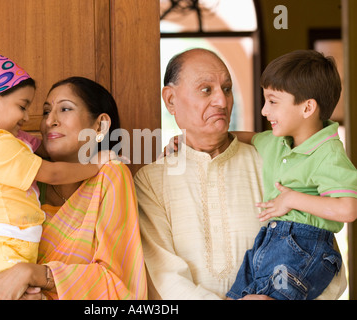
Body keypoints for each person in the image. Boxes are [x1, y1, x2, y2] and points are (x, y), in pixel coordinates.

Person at [134, 48, 347, 300]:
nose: (222, 102)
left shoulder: (275, 162)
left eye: (226, 89)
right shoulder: (151, 180)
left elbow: (324, 260)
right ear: (170, 100)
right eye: (206, 90)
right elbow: (164, 277)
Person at [0, 76, 148, 300]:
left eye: (65, 109)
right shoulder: (21, 172)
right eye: (46, 112)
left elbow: (117, 281)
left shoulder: (110, 175)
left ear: (100, 125)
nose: (49, 122)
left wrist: (32, 274)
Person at [224, 50, 357, 300]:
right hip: (269, 240)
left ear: (307, 107)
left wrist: (291, 200)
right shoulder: (276, 141)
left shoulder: (327, 152)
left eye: (273, 102)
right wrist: (191, 141)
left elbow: (348, 209)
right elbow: (245, 137)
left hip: (306, 247)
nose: (264, 111)